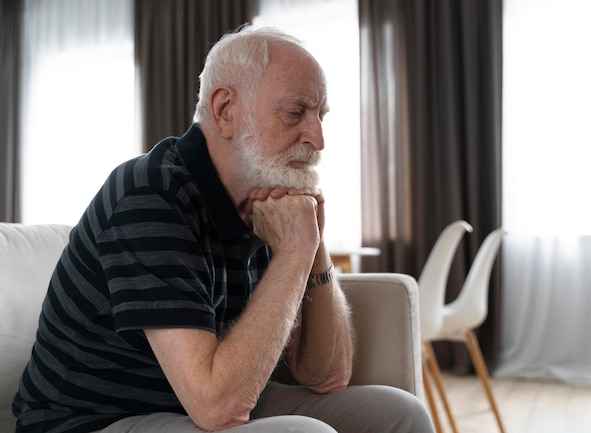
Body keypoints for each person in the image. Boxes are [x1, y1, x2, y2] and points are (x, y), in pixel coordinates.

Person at [13, 25, 434, 433]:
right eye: (296, 113)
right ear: (225, 110)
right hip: (97, 419)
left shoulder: (266, 194)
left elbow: (327, 375)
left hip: (198, 402)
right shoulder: (150, 195)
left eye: (321, 115)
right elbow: (217, 407)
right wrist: (293, 252)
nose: (318, 138)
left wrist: (313, 241)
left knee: (400, 414)